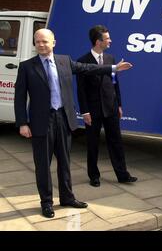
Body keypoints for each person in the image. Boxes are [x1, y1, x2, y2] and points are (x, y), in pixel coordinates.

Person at [14, 28, 133, 218]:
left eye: (45, 41)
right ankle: (46, 202)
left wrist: (113, 68)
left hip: (63, 118)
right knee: (43, 165)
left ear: (54, 42)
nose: (41, 45)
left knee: (65, 162)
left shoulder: (64, 61)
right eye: (38, 42)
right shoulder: (27, 67)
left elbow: (88, 68)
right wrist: (22, 123)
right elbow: (19, 97)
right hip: (40, 122)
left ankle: (67, 197)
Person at [76, 25, 137, 187]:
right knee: (93, 144)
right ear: (98, 42)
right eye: (107, 38)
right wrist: (84, 111)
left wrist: (119, 105)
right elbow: (80, 89)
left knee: (116, 141)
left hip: (111, 108)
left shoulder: (111, 59)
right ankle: (94, 176)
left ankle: (122, 174)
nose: (110, 41)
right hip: (93, 110)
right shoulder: (83, 61)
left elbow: (115, 83)